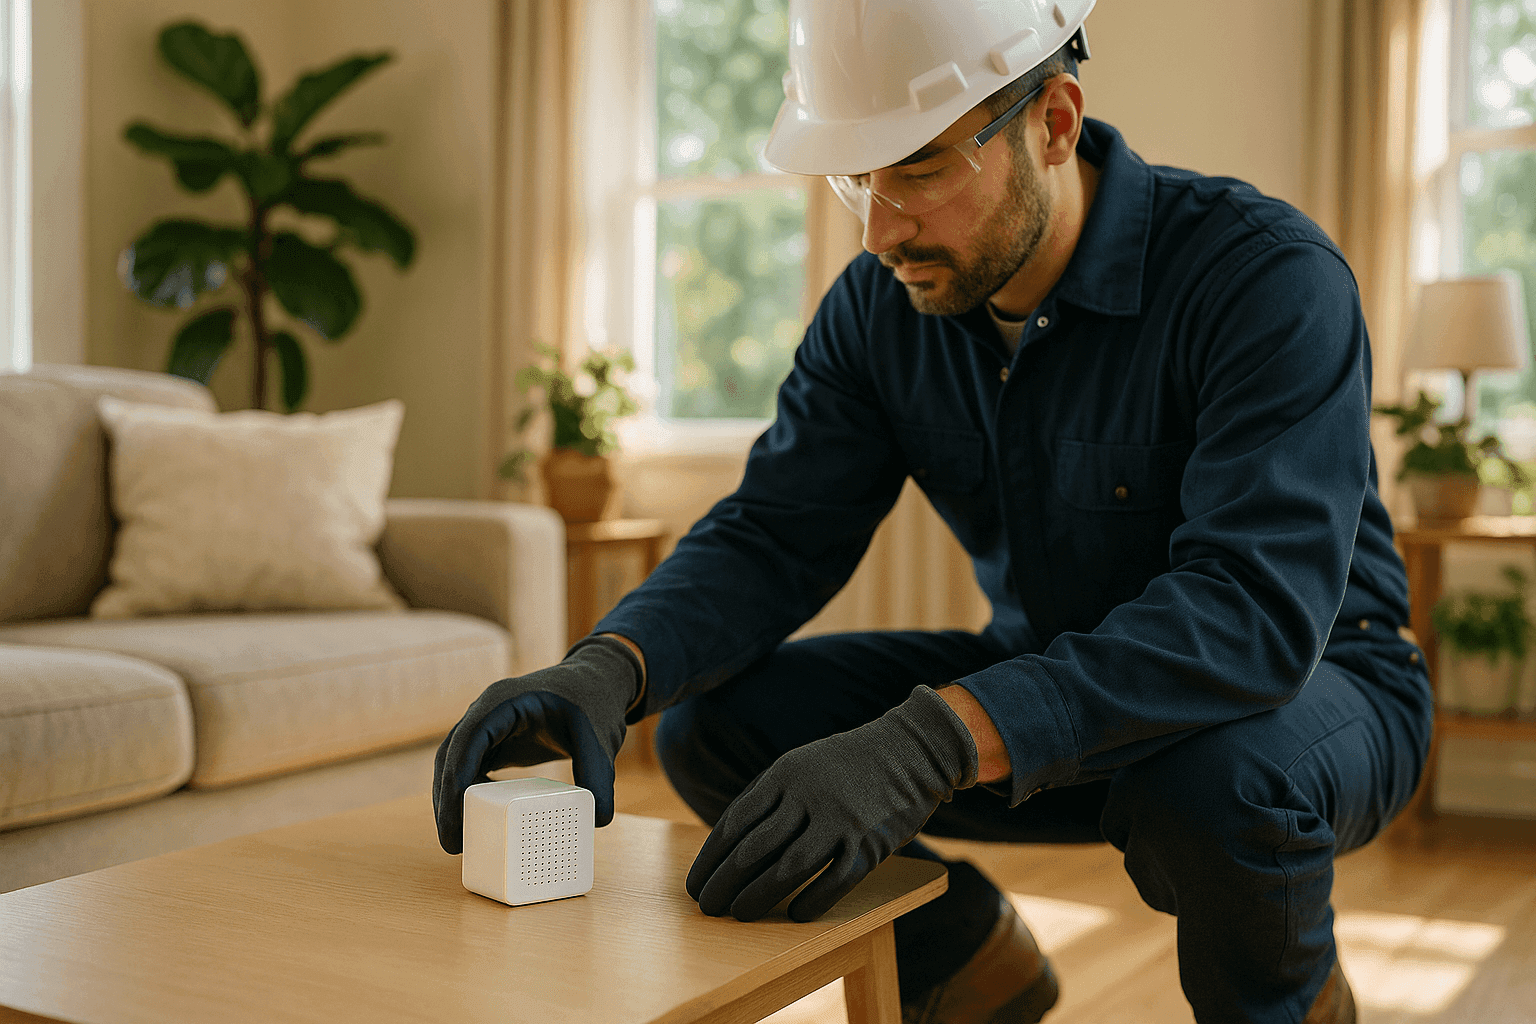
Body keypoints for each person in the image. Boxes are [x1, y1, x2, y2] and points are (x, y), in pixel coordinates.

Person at [433, 2, 1433, 1021]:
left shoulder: (1261, 278)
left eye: (917, 170)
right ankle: (968, 965)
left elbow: (1252, 615)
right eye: (855, 178)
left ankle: (1290, 1005)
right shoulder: (883, 308)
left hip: (1307, 695)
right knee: (713, 729)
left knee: (1209, 783)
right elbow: (775, 532)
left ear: (1054, 121)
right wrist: (613, 664)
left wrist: (935, 739)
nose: (879, 229)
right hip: (1045, 695)